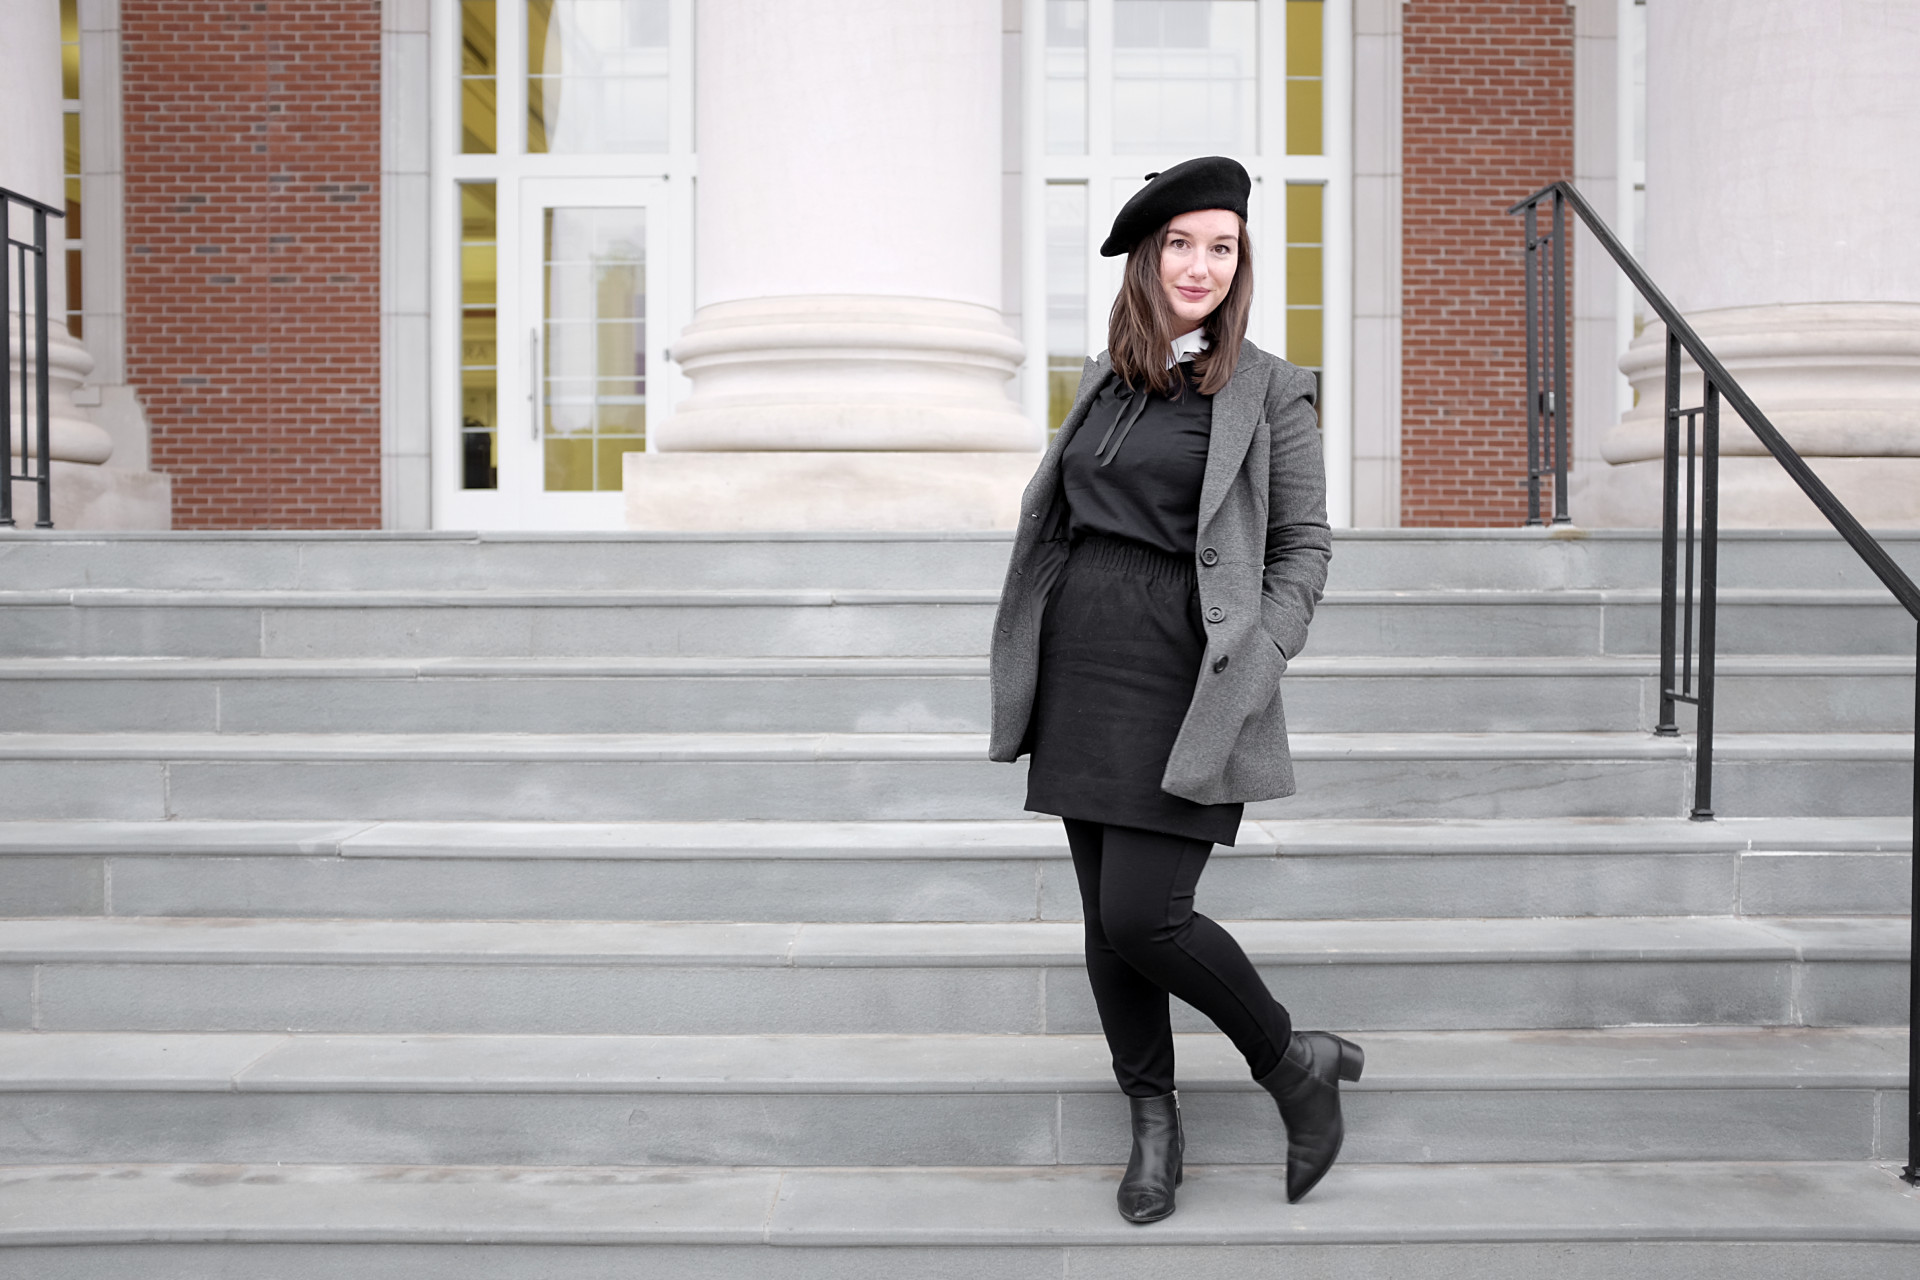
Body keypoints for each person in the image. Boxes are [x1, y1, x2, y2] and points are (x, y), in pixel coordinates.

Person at [988, 156, 1359, 1223]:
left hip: (1188, 674)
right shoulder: (1108, 378)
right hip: (1081, 668)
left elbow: (1303, 542)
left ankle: (1293, 1061)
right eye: (1184, 243)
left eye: (1224, 246)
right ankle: (1154, 1119)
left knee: (1148, 914)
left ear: (1240, 264)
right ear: (1149, 258)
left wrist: (1267, 647)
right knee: (1108, 925)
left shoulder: (1271, 390)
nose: (1202, 265)